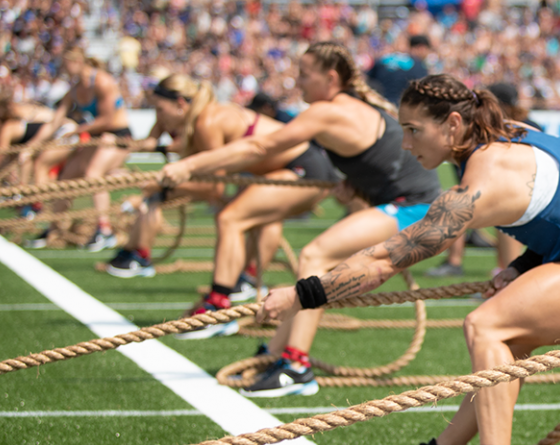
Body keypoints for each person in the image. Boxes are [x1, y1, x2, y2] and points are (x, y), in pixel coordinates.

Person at [258, 73, 560, 445]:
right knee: (506, 341)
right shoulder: (493, 141)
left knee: (487, 326)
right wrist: (523, 265)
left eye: (413, 130)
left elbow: (383, 261)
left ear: (453, 125)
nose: (405, 143)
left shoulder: (480, 181)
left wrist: (299, 297)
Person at [160, 42, 440, 384]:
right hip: (406, 203)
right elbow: (381, 160)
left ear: (330, 77)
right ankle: (278, 353)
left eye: (305, 75)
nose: (298, 82)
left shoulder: (328, 110)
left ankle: (295, 365)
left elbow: (259, 146)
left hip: (417, 209)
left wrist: (189, 165)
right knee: (313, 267)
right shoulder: (350, 105)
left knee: (314, 255)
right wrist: (354, 182)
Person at [106, 74, 333, 333]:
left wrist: (162, 187)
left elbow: (212, 187)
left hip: (304, 168)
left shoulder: (206, 121)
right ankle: (237, 284)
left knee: (230, 217)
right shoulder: (203, 118)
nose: (159, 116)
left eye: (161, 109)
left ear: (181, 104)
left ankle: (219, 305)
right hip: (301, 167)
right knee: (253, 217)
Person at [26, 47, 134, 251]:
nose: (63, 69)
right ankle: (54, 227)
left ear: (76, 62)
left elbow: (109, 119)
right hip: (97, 138)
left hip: (118, 136)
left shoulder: (102, 82)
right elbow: (55, 121)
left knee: (93, 173)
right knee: (66, 177)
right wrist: (32, 147)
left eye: (65, 64)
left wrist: (79, 130)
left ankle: (105, 230)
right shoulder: (75, 90)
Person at [424, 80, 532, 279]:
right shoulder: (526, 125)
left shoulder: (507, 128)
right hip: (513, 190)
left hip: (515, 191)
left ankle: (501, 272)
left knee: (466, 205)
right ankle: (505, 272)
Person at [0, 96, 58, 185]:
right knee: (22, 158)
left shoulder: (7, 128)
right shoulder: (15, 123)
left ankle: (22, 191)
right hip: (54, 132)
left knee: (32, 161)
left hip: (59, 133)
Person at [366, 34, 431, 104]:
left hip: (380, 103)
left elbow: (368, 81)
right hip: (403, 105)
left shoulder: (381, 61)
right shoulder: (418, 65)